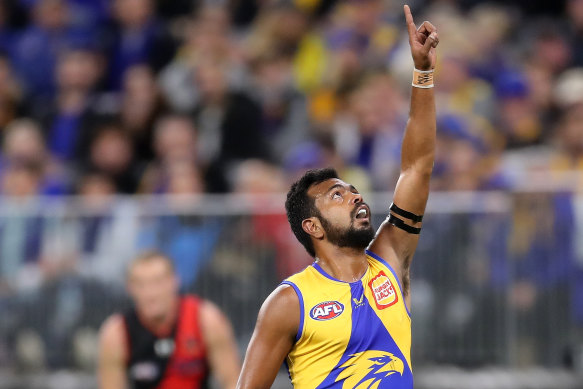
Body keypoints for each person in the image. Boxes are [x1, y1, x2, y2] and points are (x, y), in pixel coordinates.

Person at [236, 5, 438, 388]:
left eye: (353, 189)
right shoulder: (289, 303)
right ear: (312, 225)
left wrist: (423, 74)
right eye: (336, 195)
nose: (355, 197)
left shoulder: (391, 261)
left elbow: (417, 167)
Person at [98, 251, 241, 389]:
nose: (150, 293)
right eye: (141, 284)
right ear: (129, 288)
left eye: (157, 282)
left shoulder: (205, 319)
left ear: (174, 281)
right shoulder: (117, 333)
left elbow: (233, 382)